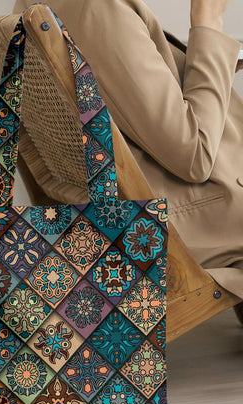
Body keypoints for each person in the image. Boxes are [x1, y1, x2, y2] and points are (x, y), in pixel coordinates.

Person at [12, 0, 243, 316]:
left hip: (111, 214)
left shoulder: (33, 4)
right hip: (175, 225)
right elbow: (194, 156)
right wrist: (208, 19)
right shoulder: (100, 9)